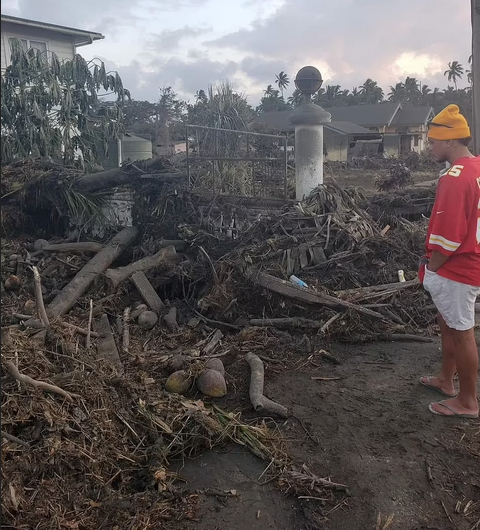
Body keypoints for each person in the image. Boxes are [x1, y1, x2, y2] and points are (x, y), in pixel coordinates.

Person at [418, 104, 480, 419]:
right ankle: (446, 380)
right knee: (449, 324)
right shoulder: (477, 168)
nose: (430, 147)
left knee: (462, 330)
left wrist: (433, 268)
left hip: (458, 266)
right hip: (471, 259)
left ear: (450, 141)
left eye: (433, 141)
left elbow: (449, 235)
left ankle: (468, 401)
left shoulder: (454, 178)